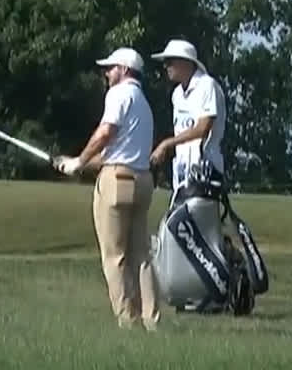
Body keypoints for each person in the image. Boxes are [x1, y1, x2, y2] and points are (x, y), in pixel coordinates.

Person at [51, 46, 161, 330]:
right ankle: (152, 320)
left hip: (116, 184)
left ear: (124, 70)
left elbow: (105, 133)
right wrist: (76, 163)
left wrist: (80, 161)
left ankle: (127, 321)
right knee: (141, 256)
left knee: (115, 256)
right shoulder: (144, 104)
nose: (106, 73)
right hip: (143, 182)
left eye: (111, 68)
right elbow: (117, 151)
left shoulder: (118, 94)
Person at [148, 38, 226, 203]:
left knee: (199, 224)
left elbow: (202, 128)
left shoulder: (207, 86)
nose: (165, 66)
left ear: (185, 62)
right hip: (183, 169)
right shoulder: (177, 94)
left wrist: (166, 144)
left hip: (205, 168)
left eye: (169, 61)